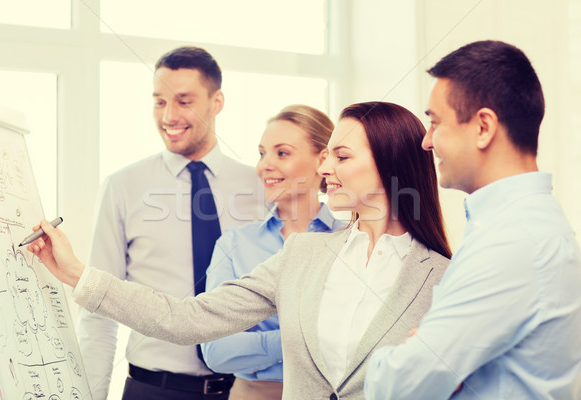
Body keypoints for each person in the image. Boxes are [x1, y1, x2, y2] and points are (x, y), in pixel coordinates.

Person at [28, 101, 452, 399]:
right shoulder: (304, 254)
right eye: (326, 157)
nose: (325, 169)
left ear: (390, 162)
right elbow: (187, 318)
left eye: (341, 157)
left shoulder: (444, 276)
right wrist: (77, 274)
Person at [364, 40, 581, 399]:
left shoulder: (513, 241)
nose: (426, 142)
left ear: (483, 127)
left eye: (434, 122)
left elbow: (399, 387)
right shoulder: (517, 227)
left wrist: (394, 360)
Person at [79, 46, 263, 400]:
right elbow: (98, 308)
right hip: (154, 389)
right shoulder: (123, 187)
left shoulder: (258, 186)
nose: (168, 115)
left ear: (217, 101)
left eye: (183, 100)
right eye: (159, 101)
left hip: (246, 391)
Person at [201, 105, 345, 400]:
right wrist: (302, 340)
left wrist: (257, 348)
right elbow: (215, 350)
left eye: (282, 153)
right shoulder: (234, 244)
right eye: (262, 153)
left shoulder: (349, 240)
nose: (264, 165)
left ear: (322, 160)